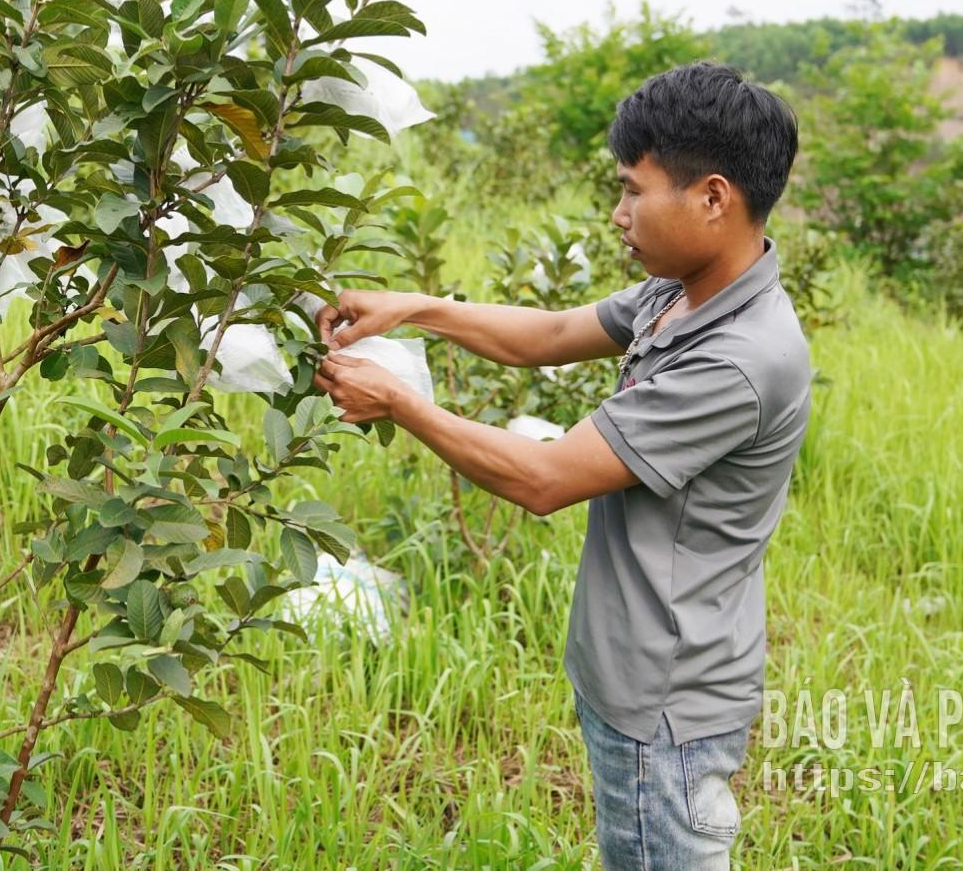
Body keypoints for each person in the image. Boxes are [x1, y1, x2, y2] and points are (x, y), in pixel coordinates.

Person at [315, 61, 810, 871]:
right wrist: (417, 307)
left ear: (713, 198)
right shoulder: (680, 294)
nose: (619, 215)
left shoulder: (741, 358)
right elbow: (546, 337)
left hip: (667, 700)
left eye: (633, 191)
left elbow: (546, 480)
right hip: (637, 672)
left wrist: (401, 404)